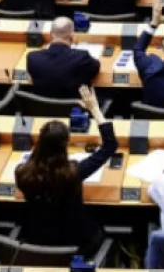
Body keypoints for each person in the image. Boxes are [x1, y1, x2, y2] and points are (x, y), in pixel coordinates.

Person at [13, 87, 116, 249]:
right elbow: (110, 146)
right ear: (66, 144)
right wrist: (95, 109)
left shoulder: (21, 172)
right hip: (78, 239)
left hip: (39, 239)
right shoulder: (74, 172)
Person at [26, 17, 102, 99]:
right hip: (76, 109)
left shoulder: (33, 58)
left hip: (43, 110)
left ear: (51, 34)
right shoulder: (82, 57)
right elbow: (96, 69)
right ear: (72, 34)